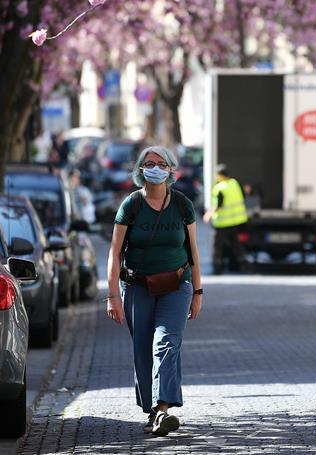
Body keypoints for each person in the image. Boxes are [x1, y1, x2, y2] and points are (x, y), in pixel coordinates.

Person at [106, 145, 203, 437]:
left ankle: (162, 410)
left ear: (171, 170)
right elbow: (114, 252)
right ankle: (152, 412)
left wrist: (198, 291)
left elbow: (193, 251)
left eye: (161, 163)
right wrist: (112, 295)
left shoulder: (183, 204)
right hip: (137, 287)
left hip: (177, 285)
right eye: (149, 163)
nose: (155, 168)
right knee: (143, 350)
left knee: (166, 343)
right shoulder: (131, 205)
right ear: (140, 169)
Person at [203, 164, 249, 274]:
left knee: (217, 247)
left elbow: (218, 205)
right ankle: (246, 267)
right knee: (236, 245)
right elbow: (243, 196)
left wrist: (208, 215)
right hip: (236, 221)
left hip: (222, 223)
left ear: (220, 175)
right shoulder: (234, 183)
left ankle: (217, 269)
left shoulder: (220, 188)